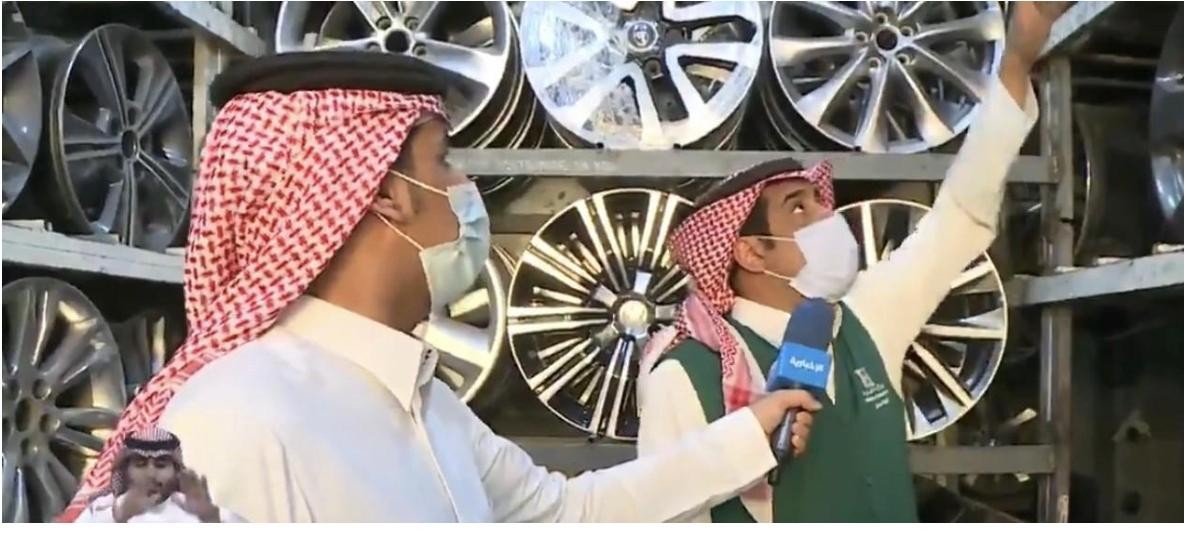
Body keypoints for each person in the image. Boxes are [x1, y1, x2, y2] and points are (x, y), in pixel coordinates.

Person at [58, 51, 819, 523]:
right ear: (385, 195)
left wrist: (747, 435)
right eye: (445, 161)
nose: (464, 187)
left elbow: (569, 515)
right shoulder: (236, 421)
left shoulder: (428, 406)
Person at [635, 2, 1068, 523]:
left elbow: (959, 214)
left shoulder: (867, 315)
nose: (827, 215)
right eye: (799, 208)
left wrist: (1017, 58)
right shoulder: (684, 377)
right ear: (751, 251)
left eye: (820, 201)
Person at [75, 427, 244, 523]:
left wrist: (211, 517)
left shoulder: (191, 508)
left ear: (176, 471)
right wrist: (116, 518)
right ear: (125, 470)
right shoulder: (102, 509)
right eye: (140, 464)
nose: (151, 474)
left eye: (161, 465)